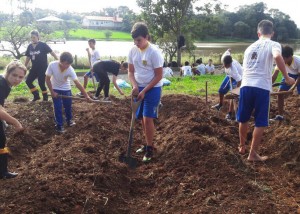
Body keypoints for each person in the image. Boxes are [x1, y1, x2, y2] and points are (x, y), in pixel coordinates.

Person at [237, 20, 295, 161]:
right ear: (272, 33)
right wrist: (287, 77)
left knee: (243, 118)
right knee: (260, 121)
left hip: (245, 85)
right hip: (261, 86)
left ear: (258, 33)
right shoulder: (273, 44)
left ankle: (242, 146)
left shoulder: (249, 48)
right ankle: (252, 154)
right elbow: (277, 56)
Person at [127, 22, 163, 162]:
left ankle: (149, 148)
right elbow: (130, 72)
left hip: (153, 88)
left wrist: (145, 90)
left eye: (139, 40)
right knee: (141, 118)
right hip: (139, 87)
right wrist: (135, 86)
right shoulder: (132, 51)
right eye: (134, 40)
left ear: (146, 37)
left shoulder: (154, 52)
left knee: (148, 118)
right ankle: (147, 143)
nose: (136, 43)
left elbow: (159, 76)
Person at [46, 52, 92, 133]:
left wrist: (86, 96)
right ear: (61, 61)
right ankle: (59, 125)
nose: (68, 66)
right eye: (66, 63)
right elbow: (47, 79)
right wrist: (52, 92)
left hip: (66, 89)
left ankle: (69, 120)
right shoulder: (52, 65)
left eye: (69, 64)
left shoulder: (70, 69)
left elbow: (77, 83)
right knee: (58, 107)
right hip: (55, 88)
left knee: (68, 106)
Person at [0, 60, 27, 179]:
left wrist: (4, 118)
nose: (17, 79)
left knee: (1, 140)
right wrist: (16, 122)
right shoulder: (1, 84)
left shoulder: (6, 84)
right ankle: (3, 172)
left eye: (21, 77)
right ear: (7, 72)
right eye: (14, 75)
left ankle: (2, 171)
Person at [25, 30, 58, 101]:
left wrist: (58, 60)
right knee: (28, 81)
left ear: (38, 37)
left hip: (43, 68)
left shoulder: (43, 45)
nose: (32, 39)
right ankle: (36, 95)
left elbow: (52, 53)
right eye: (31, 37)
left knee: (41, 83)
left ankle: (45, 98)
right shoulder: (30, 46)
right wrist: (25, 66)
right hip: (34, 68)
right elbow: (28, 57)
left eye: (34, 37)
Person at [271, 45, 300, 121]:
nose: (281, 60)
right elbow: (274, 76)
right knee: (280, 93)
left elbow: (299, 76)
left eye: (283, 58)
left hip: (299, 75)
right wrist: (267, 85)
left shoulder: (298, 61)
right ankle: (280, 115)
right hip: (289, 75)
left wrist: (292, 88)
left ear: (290, 56)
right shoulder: (280, 62)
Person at [212, 54, 243, 121]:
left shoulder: (233, 69)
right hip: (229, 76)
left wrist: (236, 91)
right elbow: (227, 54)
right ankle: (220, 105)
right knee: (221, 90)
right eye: (224, 64)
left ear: (230, 63)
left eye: (226, 65)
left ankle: (230, 113)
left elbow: (239, 80)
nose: (225, 66)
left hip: (238, 79)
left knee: (233, 97)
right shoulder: (225, 58)